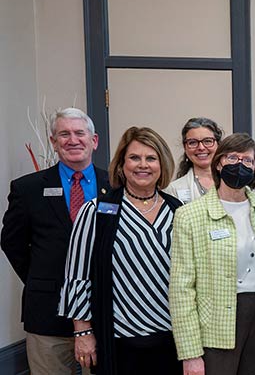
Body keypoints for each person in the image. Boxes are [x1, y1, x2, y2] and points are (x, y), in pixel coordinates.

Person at [58, 126, 182, 374]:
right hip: (120, 341)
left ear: (162, 164)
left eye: (151, 158)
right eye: (134, 157)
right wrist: (83, 331)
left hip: (174, 340)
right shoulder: (96, 211)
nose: (142, 165)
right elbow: (77, 276)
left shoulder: (178, 210)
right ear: (121, 164)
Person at [1, 108, 109, 375]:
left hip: (106, 312)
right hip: (48, 315)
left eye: (79, 133)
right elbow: (12, 242)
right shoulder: (28, 188)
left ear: (93, 141)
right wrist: (42, 277)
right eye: (64, 134)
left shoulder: (116, 184)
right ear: (53, 141)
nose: (73, 140)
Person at [169, 133, 255, 375]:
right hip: (216, 322)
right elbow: (181, 289)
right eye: (232, 157)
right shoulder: (190, 215)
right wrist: (190, 354)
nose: (240, 165)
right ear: (219, 162)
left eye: (248, 160)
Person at [164, 117, 224, 204]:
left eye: (207, 141)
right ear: (185, 148)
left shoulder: (234, 183)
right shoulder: (173, 190)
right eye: (193, 142)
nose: (201, 148)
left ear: (218, 144)